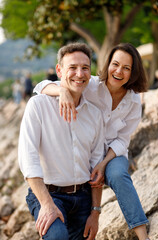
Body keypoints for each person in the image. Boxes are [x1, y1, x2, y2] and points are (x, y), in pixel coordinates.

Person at [34, 43, 151, 240]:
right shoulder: (91, 85)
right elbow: (40, 87)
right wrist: (62, 91)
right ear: (108, 64)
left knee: (118, 174)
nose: (119, 71)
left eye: (126, 68)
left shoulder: (134, 101)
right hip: (86, 152)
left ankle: (143, 236)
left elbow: (123, 140)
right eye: (115, 64)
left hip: (113, 155)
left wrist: (104, 163)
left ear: (133, 72)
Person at [18, 43, 105, 240]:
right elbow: (28, 160)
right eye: (72, 67)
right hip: (48, 195)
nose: (79, 74)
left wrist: (95, 212)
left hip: (83, 197)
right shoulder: (38, 106)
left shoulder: (95, 114)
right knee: (56, 236)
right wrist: (47, 205)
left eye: (85, 68)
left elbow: (96, 168)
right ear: (59, 70)